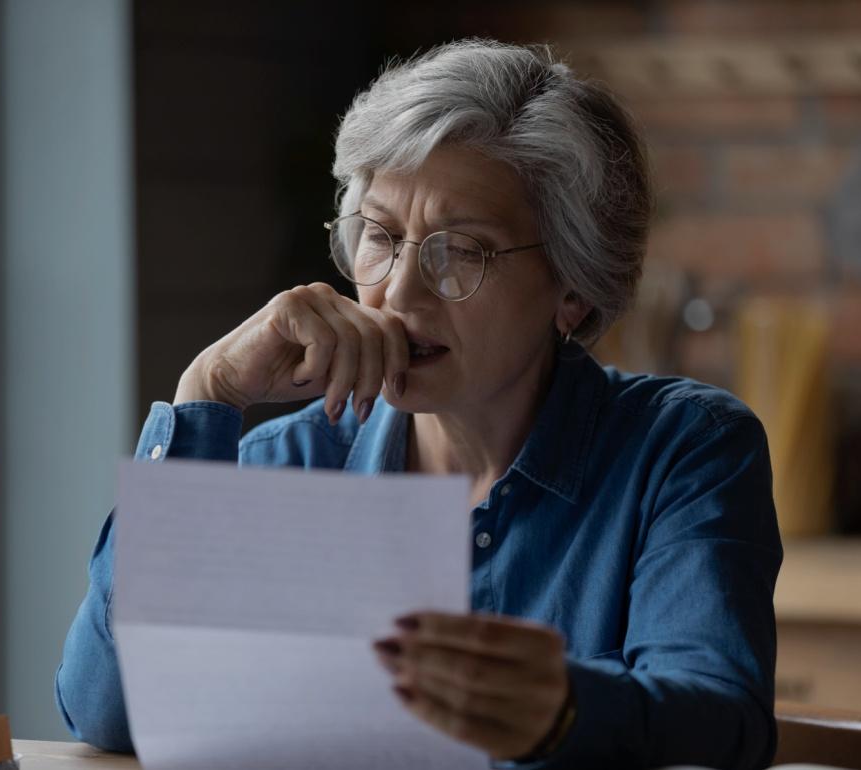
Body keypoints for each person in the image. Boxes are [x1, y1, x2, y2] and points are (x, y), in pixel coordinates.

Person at [56, 38, 782, 770]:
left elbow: (722, 723)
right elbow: (108, 713)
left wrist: (562, 710)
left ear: (574, 286)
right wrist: (206, 394)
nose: (399, 295)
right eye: (379, 236)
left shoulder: (684, 450)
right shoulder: (290, 464)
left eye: (461, 250)